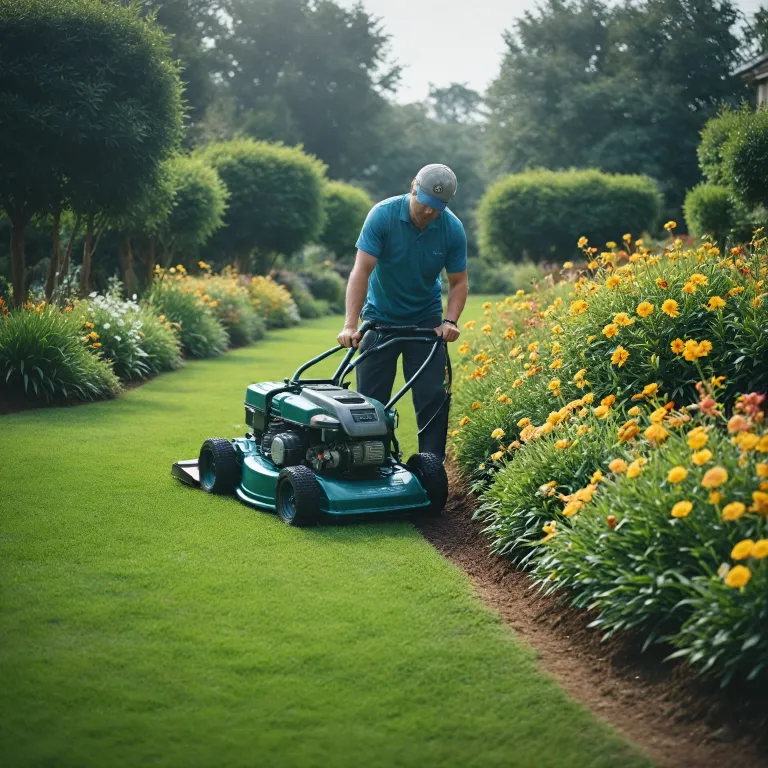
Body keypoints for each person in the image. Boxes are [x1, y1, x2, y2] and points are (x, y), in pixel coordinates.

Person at [337, 164, 468, 460]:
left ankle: (432, 467)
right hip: (379, 320)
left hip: (426, 322)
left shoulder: (451, 228)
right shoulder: (383, 215)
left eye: (437, 207)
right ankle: (371, 460)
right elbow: (361, 271)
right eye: (425, 203)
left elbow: (458, 282)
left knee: (433, 396)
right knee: (370, 403)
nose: (429, 212)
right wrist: (350, 325)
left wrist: (450, 321)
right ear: (413, 187)